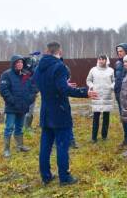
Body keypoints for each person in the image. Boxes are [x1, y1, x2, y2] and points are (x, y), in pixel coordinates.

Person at [33, 41, 97, 186]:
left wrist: (62, 85)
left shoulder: (39, 67)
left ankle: (46, 176)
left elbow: (39, 83)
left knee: (45, 146)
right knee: (62, 145)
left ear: (47, 51)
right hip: (59, 112)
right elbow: (64, 90)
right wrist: (84, 92)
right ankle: (65, 177)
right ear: (59, 52)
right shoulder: (59, 66)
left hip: (46, 111)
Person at [0, 55, 38, 158]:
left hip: (23, 106)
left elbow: (33, 87)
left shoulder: (26, 74)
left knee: (20, 127)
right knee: (9, 127)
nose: (20, 64)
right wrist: (12, 101)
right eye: (17, 62)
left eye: (21, 62)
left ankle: (20, 146)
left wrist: (30, 99)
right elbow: (3, 90)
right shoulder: (6, 74)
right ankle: (6, 149)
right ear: (13, 64)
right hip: (11, 107)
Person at [86, 55, 115, 143]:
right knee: (96, 116)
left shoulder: (111, 70)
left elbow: (114, 80)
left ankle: (104, 136)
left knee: (106, 117)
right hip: (96, 95)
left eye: (103, 59)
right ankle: (94, 137)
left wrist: (111, 86)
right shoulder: (93, 70)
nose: (101, 61)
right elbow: (88, 80)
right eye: (100, 59)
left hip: (107, 95)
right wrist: (92, 86)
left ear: (106, 60)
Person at [114, 43, 127, 148]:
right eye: (118, 51)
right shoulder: (118, 64)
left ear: (126, 51)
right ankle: (126, 138)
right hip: (118, 94)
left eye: (121, 51)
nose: (119, 53)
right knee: (123, 117)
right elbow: (117, 78)